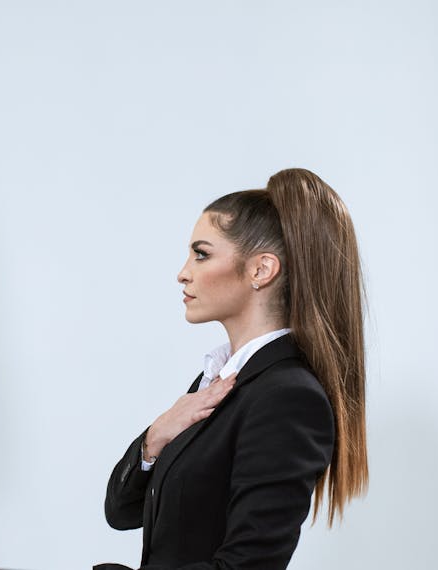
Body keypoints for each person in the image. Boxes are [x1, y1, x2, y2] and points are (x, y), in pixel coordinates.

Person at [97, 168, 368, 570]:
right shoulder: (221, 382)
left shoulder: (288, 397)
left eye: (201, 253)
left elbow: (248, 566)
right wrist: (155, 437)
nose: (183, 272)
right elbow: (122, 512)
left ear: (261, 270)